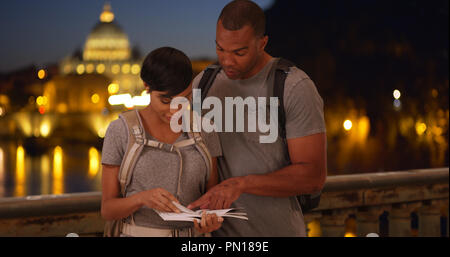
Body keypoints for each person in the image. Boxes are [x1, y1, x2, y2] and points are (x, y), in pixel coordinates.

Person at [187, 0, 327, 236]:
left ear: (262, 43)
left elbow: (313, 176)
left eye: (239, 52)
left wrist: (241, 184)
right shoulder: (204, 83)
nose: (227, 61)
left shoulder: (293, 86)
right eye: (220, 49)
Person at [101, 47, 223, 237]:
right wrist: (142, 199)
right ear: (146, 87)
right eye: (166, 100)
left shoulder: (205, 130)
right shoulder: (120, 131)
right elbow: (107, 209)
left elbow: (211, 200)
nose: (175, 111)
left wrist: (208, 221)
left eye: (184, 99)